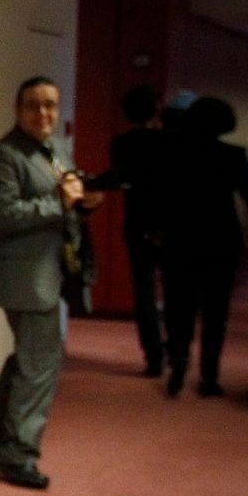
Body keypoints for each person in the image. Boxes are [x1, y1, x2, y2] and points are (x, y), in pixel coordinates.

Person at [0, 77, 97, 489]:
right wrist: (58, 203)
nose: (44, 114)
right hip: (25, 279)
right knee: (40, 366)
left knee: (27, 360)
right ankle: (18, 455)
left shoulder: (55, 150)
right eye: (34, 106)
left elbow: (64, 200)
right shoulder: (2, 156)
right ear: (18, 109)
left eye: (51, 106)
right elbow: (3, 213)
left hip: (50, 274)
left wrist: (83, 201)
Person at [160, 96, 248, 397]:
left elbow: (158, 193)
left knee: (180, 304)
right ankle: (209, 377)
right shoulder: (233, 156)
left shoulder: (172, 151)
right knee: (216, 311)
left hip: (180, 237)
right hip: (221, 241)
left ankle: (178, 357)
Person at [90, 85, 167, 375]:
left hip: (139, 222)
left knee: (145, 290)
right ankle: (175, 346)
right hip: (171, 223)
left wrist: (89, 183)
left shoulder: (123, 143)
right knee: (174, 289)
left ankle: (154, 355)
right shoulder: (170, 141)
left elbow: (117, 178)